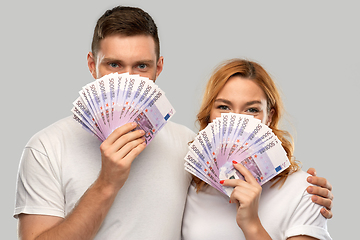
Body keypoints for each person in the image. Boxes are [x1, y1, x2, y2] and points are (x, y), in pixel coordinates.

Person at [14, 6, 333, 240]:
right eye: (114, 64)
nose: (128, 79)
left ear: (159, 68)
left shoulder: (187, 147)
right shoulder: (46, 147)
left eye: (141, 65)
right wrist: (106, 184)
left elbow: (239, 171)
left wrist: (308, 193)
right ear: (91, 65)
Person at [182, 59, 332, 239]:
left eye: (251, 110)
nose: (236, 121)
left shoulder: (304, 191)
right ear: (209, 116)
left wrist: (252, 224)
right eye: (223, 107)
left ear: (269, 117)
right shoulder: (188, 186)